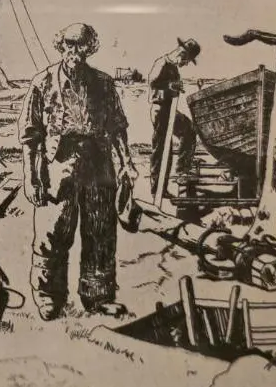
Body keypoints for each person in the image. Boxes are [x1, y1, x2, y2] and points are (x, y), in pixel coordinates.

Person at [19, 23, 136, 320]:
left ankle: (98, 296)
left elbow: (118, 127)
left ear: (90, 48)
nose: (75, 51)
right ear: (61, 46)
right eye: (70, 45)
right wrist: (30, 179)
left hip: (98, 161)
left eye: (82, 45)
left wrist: (126, 163)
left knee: (101, 230)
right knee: (54, 231)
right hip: (59, 162)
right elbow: (30, 135)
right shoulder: (42, 82)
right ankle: (48, 296)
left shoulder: (104, 83)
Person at [148, 38, 202, 193]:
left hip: (170, 110)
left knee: (189, 130)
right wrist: (170, 87)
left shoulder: (174, 68)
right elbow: (152, 90)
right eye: (186, 61)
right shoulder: (161, 64)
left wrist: (176, 88)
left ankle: (182, 170)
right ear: (182, 54)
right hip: (160, 110)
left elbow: (173, 88)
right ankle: (158, 189)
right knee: (162, 150)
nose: (185, 64)